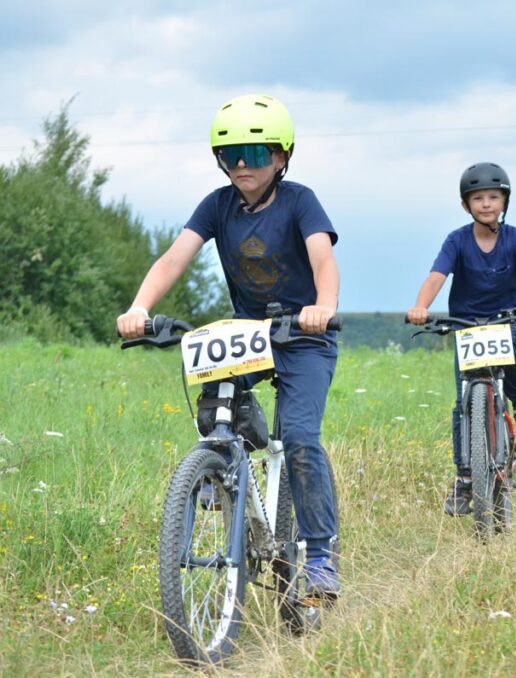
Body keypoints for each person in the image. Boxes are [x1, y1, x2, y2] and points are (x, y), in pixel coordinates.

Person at [116, 94, 342, 596]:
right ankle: (221, 468)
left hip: (304, 335)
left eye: (255, 154)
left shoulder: (300, 201)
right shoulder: (217, 205)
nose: (242, 164)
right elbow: (174, 259)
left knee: (300, 437)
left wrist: (323, 306)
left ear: (281, 157)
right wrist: (139, 307)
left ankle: (320, 554)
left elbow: (323, 258)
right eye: (230, 154)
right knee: (214, 398)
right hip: (250, 333)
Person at [407, 162, 516, 516]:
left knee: (511, 347)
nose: (486, 203)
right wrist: (420, 306)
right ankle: (464, 478)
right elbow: (437, 275)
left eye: (493, 197)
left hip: (509, 317)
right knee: (463, 399)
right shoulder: (456, 240)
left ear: (504, 201)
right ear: (466, 205)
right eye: (478, 198)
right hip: (467, 323)